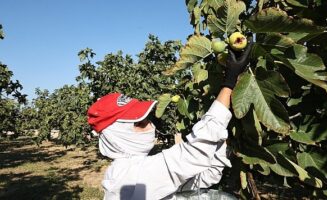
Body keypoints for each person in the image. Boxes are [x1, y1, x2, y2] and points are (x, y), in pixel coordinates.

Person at [87, 39, 253, 200]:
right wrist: (229, 83)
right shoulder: (127, 178)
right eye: (140, 123)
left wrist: (222, 140)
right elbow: (193, 155)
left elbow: (204, 177)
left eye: (148, 119)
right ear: (117, 134)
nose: (150, 125)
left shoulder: (140, 168)